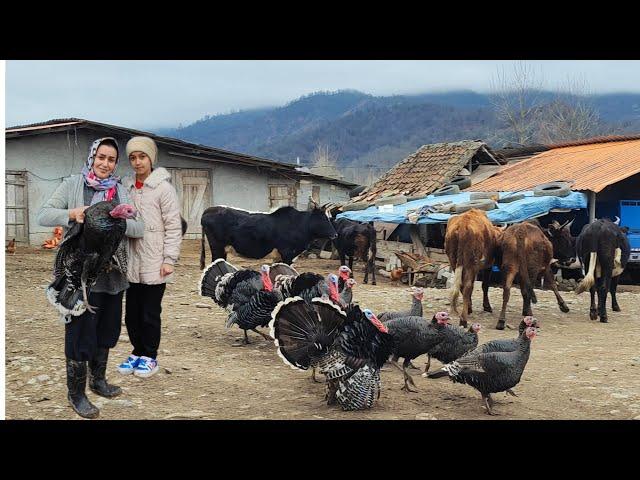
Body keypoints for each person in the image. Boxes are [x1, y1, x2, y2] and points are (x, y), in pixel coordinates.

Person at [37, 137, 144, 419]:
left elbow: (139, 226)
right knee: (79, 333)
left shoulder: (120, 191)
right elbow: (43, 215)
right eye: (101, 157)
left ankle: (98, 380)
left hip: (111, 274)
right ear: (92, 157)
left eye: (111, 159)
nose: (105, 164)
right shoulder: (73, 185)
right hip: (79, 275)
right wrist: (72, 214)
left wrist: (116, 219)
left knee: (106, 331)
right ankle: (76, 393)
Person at [117, 136, 182, 378]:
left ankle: (150, 356)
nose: (137, 162)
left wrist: (169, 259)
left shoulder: (163, 188)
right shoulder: (126, 187)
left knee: (150, 312)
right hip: (131, 259)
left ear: (151, 158)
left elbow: (173, 226)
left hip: (155, 259)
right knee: (131, 312)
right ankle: (136, 351)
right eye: (132, 157)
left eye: (142, 156)